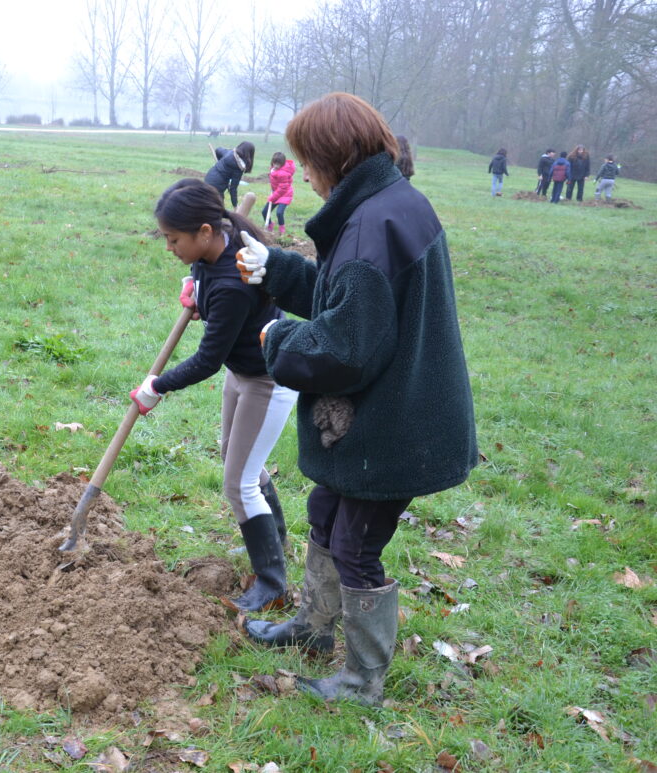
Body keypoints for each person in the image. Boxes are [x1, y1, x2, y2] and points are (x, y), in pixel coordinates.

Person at [235, 92, 477, 706]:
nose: (302, 175)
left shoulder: (371, 224)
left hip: (393, 426)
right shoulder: (385, 204)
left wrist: (277, 335)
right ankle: (313, 630)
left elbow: (346, 348)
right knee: (325, 512)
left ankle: (363, 678)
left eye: (305, 162)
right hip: (395, 407)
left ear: (330, 158)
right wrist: (279, 270)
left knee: (356, 545)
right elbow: (349, 297)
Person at [131, 178, 300, 614]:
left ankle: (272, 582)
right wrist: (195, 287)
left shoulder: (232, 281)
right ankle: (276, 540)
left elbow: (206, 360)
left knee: (238, 482)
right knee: (236, 459)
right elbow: (208, 280)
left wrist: (157, 386)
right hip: (242, 371)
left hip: (268, 378)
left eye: (174, 239)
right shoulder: (215, 254)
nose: (169, 247)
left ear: (204, 232)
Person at [205, 141, 256, 208]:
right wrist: (235, 205)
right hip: (217, 186)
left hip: (209, 177)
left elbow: (218, 150)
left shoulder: (230, 152)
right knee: (218, 208)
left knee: (211, 205)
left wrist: (220, 162)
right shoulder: (239, 166)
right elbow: (233, 188)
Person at [261, 152, 295, 237]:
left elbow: (283, 189)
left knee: (279, 212)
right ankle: (270, 225)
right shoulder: (273, 169)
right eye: (274, 163)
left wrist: (272, 197)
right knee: (264, 211)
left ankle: (282, 230)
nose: (276, 165)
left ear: (282, 163)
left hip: (285, 194)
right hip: (276, 193)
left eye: (278, 164)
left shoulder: (283, 173)